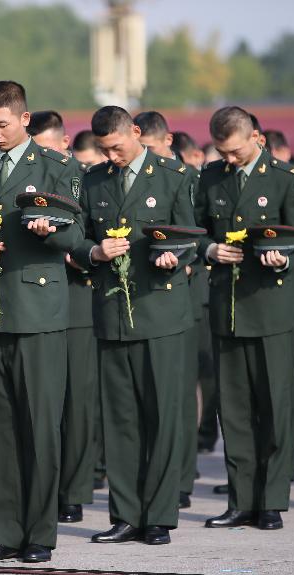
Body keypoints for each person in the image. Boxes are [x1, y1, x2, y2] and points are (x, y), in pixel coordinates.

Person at [0, 81, 84, 564]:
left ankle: (39, 534)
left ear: (25, 119)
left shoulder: (57, 166)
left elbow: (80, 234)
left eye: (2, 124)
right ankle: (2, 531)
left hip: (37, 312)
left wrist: (51, 231)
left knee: (38, 426)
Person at [76, 106, 196, 545]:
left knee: (161, 415)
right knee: (121, 419)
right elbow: (80, 237)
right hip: (112, 311)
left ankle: (160, 515)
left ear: (137, 133)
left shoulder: (173, 175)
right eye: (105, 150)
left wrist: (175, 256)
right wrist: (95, 252)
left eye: (118, 147)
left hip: (160, 309)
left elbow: (189, 237)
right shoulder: (94, 180)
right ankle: (125, 513)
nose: (113, 157)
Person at [195, 106, 294, 531]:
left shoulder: (286, 178)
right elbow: (197, 228)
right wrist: (210, 250)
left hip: (272, 304)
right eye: (223, 152)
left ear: (256, 137)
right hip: (229, 305)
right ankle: (241, 499)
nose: (230, 160)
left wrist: (281, 258)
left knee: (274, 405)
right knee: (235, 409)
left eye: (236, 151)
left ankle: (272, 499)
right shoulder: (212, 176)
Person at [27, 109, 97, 525]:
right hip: (40, 298)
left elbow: (95, 230)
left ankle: (74, 489)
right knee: (46, 402)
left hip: (78, 295)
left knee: (78, 400)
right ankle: (47, 490)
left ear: (64, 143)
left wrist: (79, 253)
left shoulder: (81, 176)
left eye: (49, 148)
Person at [134, 110, 206, 508]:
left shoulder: (182, 178)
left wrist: (190, 258)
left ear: (167, 141)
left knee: (178, 392)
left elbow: (200, 230)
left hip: (185, 292)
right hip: (150, 298)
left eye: (149, 148)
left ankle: (179, 479)